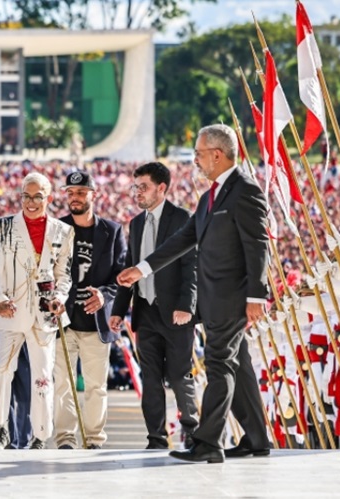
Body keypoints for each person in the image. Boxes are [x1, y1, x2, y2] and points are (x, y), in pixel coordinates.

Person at [116, 124, 272, 463]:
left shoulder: (245, 190)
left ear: (217, 154)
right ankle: (258, 438)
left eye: (199, 154)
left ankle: (208, 443)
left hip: (233, 297)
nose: (195, 160)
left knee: (219, 364)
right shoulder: (209, 197)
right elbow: (182, 241)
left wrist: (257, 295)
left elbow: (258, 243)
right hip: (214, 298)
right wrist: (141, 269)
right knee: (238, 365)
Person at [108, 162, 200, 450]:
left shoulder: (183, 219)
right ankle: (156, 438)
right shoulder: (135, 223)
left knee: (178, 375)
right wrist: (119, 310)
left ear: (162, 188)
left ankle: (193, 433)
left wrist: (186, 306)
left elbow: (191, 266)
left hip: (176, 314)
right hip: (145, 312)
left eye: (143, 187)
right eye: (135, 187)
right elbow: (130, 268)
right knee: (150, 377)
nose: (137, 192)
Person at [0, 172, 74, 450]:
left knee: (43, 375)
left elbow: (64, 274)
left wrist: (60, 296)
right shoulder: (2, 227)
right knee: (1, 372)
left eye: (37, 196)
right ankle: (0, 430)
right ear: (20, 196)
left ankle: (41, 435)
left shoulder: (63, 230)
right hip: (9, 310)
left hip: (45, 314)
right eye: (26, 195)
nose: (31, 202)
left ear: (48, 198)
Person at [53, 170, 126, 450]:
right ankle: (65, 440)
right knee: (63, 386)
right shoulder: (55, 228)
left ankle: (94, 440)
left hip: (96, 323)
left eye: (81, 192)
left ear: (93, 195)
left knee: (96, 387)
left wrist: (105, 295)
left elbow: (121, 277)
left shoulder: (113, 230)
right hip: (64, 321)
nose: (75, 198)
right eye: (70, 193)